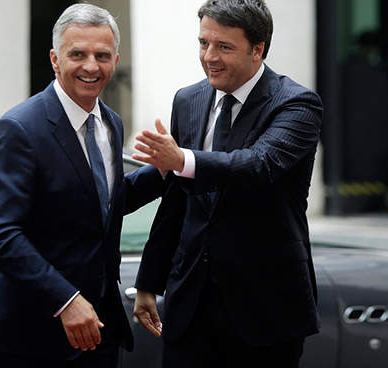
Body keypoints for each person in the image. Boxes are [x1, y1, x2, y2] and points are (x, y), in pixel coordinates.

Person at [0, 4, 163, 367]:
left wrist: (165, 170)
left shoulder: (111, 123)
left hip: (99, 327)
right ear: (55, 59)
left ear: (116, 60)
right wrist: (66, 300)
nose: (91, 66)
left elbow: (100, 203)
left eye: (102, 55)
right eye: (77, 54)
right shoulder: (20, 128)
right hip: (31, 335)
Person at [132, 0, 322, 367]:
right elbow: (177, 199)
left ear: (258, 49)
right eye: (203, 43)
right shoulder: (188, 99)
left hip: (265, 308)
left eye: (224, 47)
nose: (209, 57)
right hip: (191, 303)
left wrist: (182, 160)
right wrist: (148, 281)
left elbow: (259, 164)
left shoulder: (297, 104)